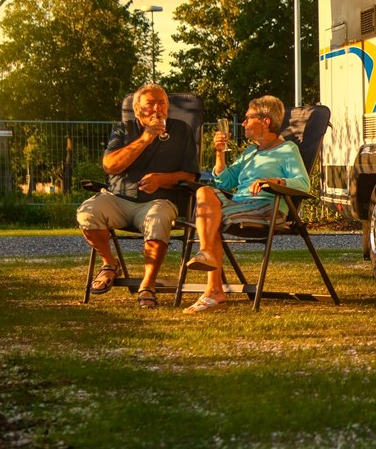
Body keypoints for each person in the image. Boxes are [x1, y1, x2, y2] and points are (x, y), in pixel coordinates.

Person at [183, 95, 310, 313]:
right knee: (204, 191)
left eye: (247, 118)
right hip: (240, 205)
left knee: (210, 219)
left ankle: (214, 291)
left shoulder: (287, 150)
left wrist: (272, 181)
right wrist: (220, 154)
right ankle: (206, 255)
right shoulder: (251, 152)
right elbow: (224, 181)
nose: (243, 123)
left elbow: (303, 184)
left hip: (267, 208)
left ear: (265, 121)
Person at [77, 83, 199, 309]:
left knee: (158, 218)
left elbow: (190, 173)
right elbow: (110, 166)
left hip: (159, 201)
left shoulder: (182, 130)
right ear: (137, 109)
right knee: (87, 212)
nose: (157, 109)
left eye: (162, 103)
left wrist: (162, 179)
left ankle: (147, 285)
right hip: (119, 198)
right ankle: (110, 264)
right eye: (150, 104)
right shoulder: (123, 129)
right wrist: (146, 138)